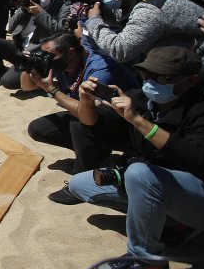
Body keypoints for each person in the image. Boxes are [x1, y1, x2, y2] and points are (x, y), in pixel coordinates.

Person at [63, 47, 204, 269]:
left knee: (140, 174)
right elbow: (94, 126)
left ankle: (148, 263)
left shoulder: (201, 111)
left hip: (198, 197)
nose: (151, 82)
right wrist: (87, 101)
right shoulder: (140, 99)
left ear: (190, 80)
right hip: (157, 187)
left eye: (163, 78)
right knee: (79, 184)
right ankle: (170, 224)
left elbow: (198, 160)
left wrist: (139, 121)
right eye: (147, 75)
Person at [22, 31, 138, 178]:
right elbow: (26, 87)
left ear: (70, 52)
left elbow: (90, 114)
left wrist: (52, 89)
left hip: (126, 127)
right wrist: (29, 66)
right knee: (38, 128)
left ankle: (83, 173)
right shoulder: (61, 63)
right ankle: (97, 153)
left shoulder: (100, 69)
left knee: (77, 122)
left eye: (50, 55)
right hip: (92, 117)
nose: (47, 59)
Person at [0, 0, 69, 88]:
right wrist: (23, 9)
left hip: (38, 54)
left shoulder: (62, 6)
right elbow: (10, 28)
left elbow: (60, 31)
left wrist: (41, 13)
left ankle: (38, 82)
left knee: (8, 82)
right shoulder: (30, 3)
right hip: (20, 49)